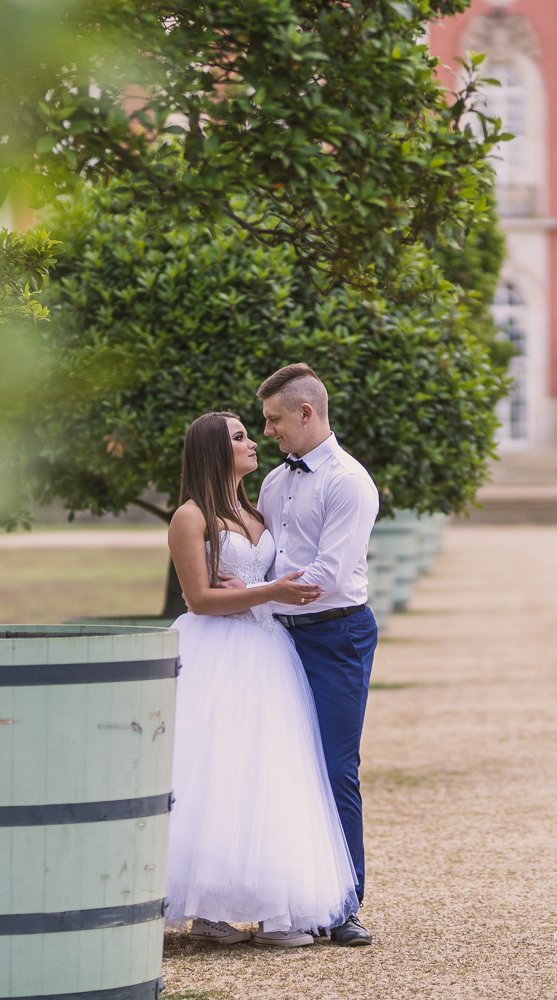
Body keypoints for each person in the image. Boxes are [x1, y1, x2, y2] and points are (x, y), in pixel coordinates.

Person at [164, 411, 358, 948]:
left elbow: (261, 581)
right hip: (216, 651)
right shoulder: (190, 517)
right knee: (216, 771)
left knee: (265, 769)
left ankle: (272, 906)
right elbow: (199, 599)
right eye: (241, 436)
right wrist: (268, 592)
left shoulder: (255, 509)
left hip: (266, 651)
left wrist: (263, 589)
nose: (255, 442)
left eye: (252, 432)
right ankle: (207, 908)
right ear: (213, 451)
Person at [253, 363, 381, 946]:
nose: (268, 432)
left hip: (337, 636)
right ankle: (293, 898)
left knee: (334, 766)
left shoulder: (350, 481)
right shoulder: (274, 484)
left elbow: (327, 575)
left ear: (307, 413)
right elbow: (268, 559)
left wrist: (262, 591)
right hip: (279, 635)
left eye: (275, 419)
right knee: (283, 767)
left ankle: (344, 903)